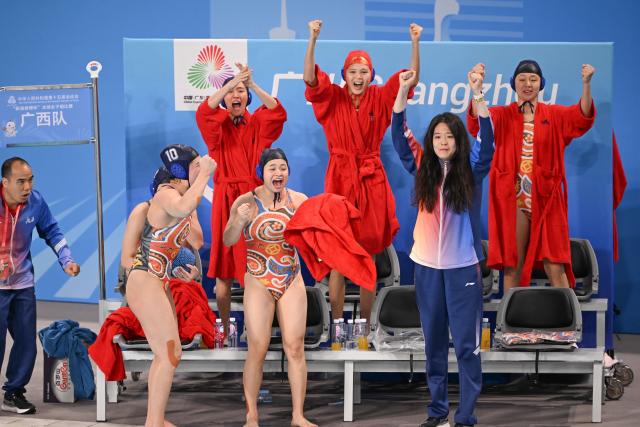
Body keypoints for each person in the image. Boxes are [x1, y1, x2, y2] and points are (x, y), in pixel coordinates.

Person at [391, 69, 494, 427]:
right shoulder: (422, 168)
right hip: (427, 270)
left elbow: (488, 140)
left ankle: (465, 416)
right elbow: (399, 137)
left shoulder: (473, 169)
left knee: (466, 347)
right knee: (434, 347)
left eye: (449, 136)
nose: (443, 141)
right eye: (437, 135)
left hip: (463, 268)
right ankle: (436, 412)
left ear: (458, 140)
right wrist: (403, 92)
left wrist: (477, 95)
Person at [303, 19, 422, 322]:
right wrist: (313, 39)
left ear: (371, 75)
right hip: (340, 178)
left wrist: (415, 43)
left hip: (370, 181)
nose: (358, 76)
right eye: (353, 72)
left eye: (364, 71)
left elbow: (411, 79)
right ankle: (337, 329)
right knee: (339, 260)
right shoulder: (332, 97)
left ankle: (367, 329)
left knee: (368, 255)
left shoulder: (381, 98)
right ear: (345, 76)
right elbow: (310, 79)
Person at [466, 60, 595, 293]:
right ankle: (509, 327)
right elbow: (479, 123)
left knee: (555, 265)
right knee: (513, 265)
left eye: (533, 79)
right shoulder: (501, 115)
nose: (528, 84)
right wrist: (476, 91)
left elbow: (581, 117)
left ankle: (568, 326)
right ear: (513, 84)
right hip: (514, 197)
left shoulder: (554, 114)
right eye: (522, 79)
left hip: (547, 198)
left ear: (541, 84)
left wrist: (586, 84)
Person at [224, 148, 316, 427]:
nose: (278, 173)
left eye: (283, 168)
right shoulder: (246, 201)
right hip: (258, 278)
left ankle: (298, 415)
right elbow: (228, 240)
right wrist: (239, 220)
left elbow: (314, 238)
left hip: (291, 278)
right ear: (261, 172)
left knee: (295, 347)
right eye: (272, 168)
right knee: (258, 348)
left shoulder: (300, 201)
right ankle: (251, 414)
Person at [125, 145, 215, 427]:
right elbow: (183, 206)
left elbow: (195, 238)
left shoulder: (181, 198)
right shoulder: (166, 193)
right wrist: (205, 177)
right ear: (182, 170)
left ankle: (155, 420)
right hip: (144, 278)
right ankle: (154, 423)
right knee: (169, 353)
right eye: (197, 164)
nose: (203, 166)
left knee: (166, 355)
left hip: (159, 280)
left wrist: (177, 273)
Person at [196, 63, 287, 338]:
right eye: (230, 91)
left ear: (247, 97)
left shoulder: (257, 123)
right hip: (225, 202)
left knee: (254, 270)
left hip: (254, 199)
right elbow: (204, 110)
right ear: (224, 97)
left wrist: (252, 84)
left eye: (241, 91)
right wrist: (232, 82)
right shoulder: (216, 125)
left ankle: (253, 329)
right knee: (223, 274)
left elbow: (277, 111)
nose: (236, 95)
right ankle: (222, 330)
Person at [0, 157, 80, 415]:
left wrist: (66, 259)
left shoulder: (36, 202)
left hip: (22, 284)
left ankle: (13, 392)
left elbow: (52, 231)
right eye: (21, 181)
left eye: (30, 179)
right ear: (5, 183)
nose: (27, 186)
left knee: (26, 342)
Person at [119, 166, 202, 294]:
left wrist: (192, 273)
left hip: (176, 280)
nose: (190, 186)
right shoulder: (141, 211)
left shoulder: (189, 211)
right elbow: (126, 259)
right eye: (187, 181)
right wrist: (160, 273)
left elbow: (197, 243)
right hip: (146, 276)